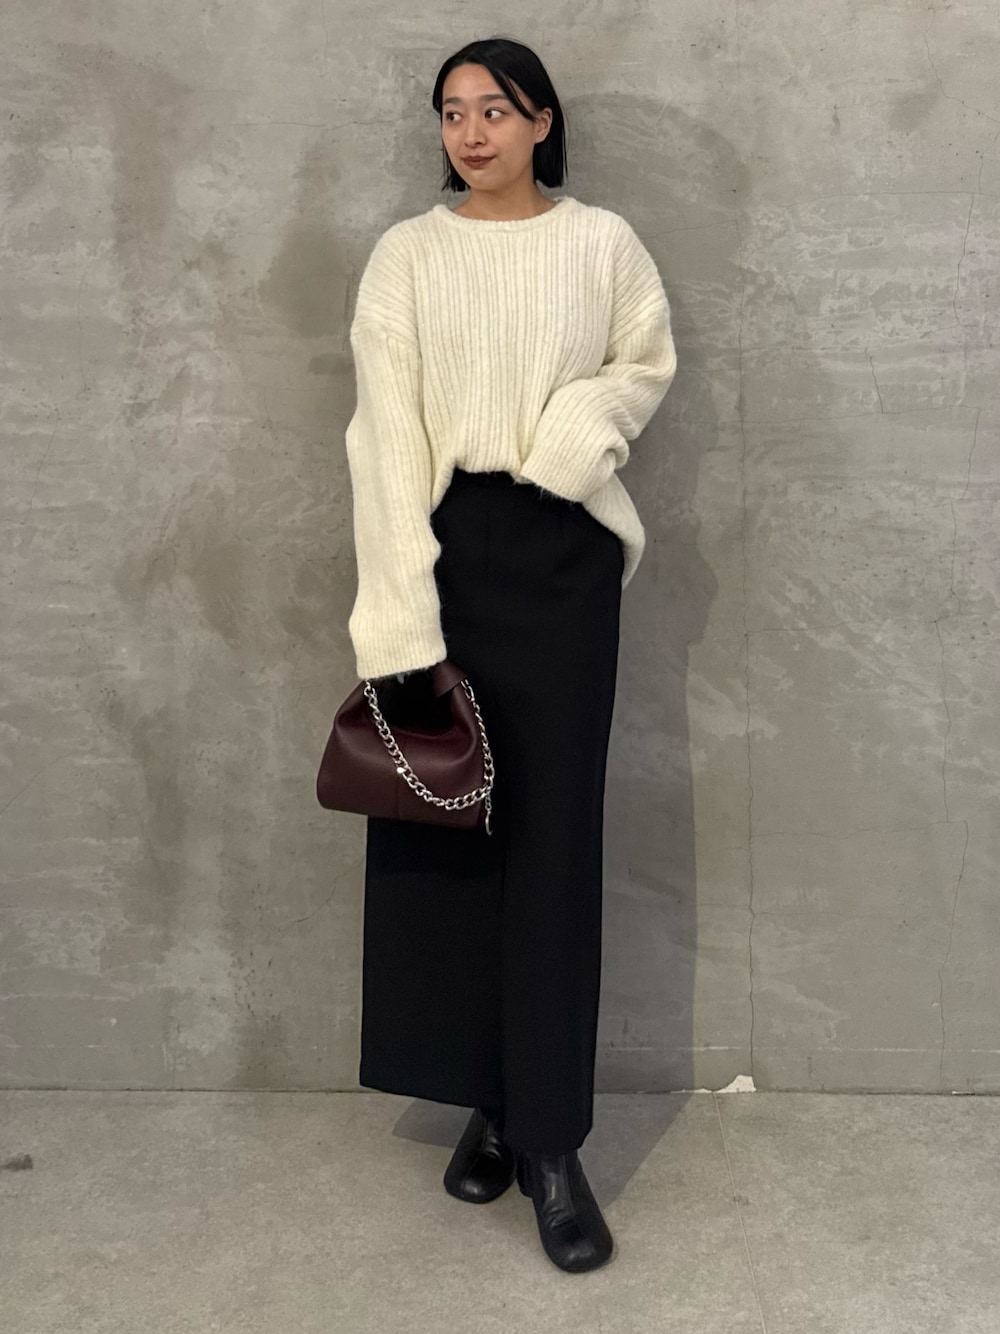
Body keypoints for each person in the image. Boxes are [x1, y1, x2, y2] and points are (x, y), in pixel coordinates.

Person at [342, 35, 678, 1273]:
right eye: (451, 112)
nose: (471, 132)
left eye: (495, 109)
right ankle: (487, 1096)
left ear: (542, 121)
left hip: (563, 553)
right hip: (445, 546)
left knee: (550, 843)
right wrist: (400, 619)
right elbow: (383, 440)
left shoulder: (603, 244)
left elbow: (642, 362)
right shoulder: (408, 255)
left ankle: (548, 1142)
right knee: (451, 830)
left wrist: (573, 437)